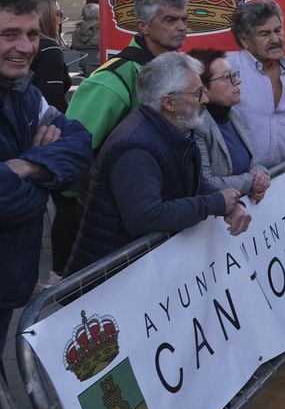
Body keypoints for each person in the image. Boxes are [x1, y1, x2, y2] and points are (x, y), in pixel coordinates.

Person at [66, 53, 252, 274]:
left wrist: (229, 204)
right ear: (169, 102)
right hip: (111, 278)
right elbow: (145, 216)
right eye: (198, 93)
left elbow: (193, 182)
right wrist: (212, 204)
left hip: (139, 271)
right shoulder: (135, 147)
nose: (205, 99)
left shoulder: (178, 130)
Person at [1, 0, 92, 340]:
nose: (25, 47)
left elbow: (80, 143)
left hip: (11, 279)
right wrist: (44, 185)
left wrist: (28, 167)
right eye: (9, 34)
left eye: (32, 34)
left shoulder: (25, 92)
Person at [67, 0, 189, 149]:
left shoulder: (183, 68)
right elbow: (72, 147)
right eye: (170, 20)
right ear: (143, 26)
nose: (181, 27)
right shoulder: (111, 79)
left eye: (184, 20)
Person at [226, 0, 285, 168]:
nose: (275, 39)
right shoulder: (228, 67)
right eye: (264, 33)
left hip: (283, 173)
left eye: (278, 30)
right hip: (242, 178)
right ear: (244, 40)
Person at [187, 48, 271, 202]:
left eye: (234, 75)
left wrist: (261, 174)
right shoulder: (196, 126)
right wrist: (251, 182)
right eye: (227, 77)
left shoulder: (234, 115)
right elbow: (206, 184)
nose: (237, 81)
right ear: (202, 88)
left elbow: (253, 163)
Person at [29, 0, 69, 110]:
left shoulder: (26, 45)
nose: (60, 18)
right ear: (46, 17)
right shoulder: (50, 49)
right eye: (58, 14)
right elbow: (53, 99)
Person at [70, 2, 102, 74]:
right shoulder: (103, 34)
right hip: (101, 69)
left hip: (81, 70)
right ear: (98, 16)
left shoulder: (75, 34)